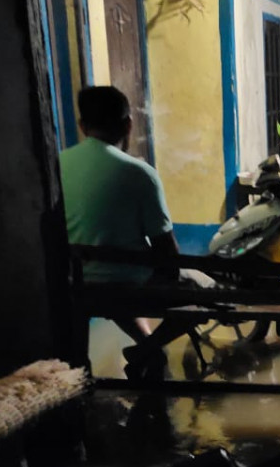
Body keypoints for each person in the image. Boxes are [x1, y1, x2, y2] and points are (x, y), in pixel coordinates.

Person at [60, 85, 211, 379]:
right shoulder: (139, 173)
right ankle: (146, 349)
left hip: (77, 281)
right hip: (125, 284)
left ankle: (145, 345)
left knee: (119, 283)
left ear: (82, 126)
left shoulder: (57, 164)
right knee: (207, 294)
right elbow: (168, 255)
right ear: (128, 124)